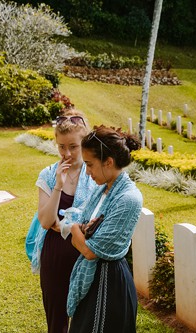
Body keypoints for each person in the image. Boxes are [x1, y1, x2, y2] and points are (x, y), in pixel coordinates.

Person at [66, 125, 143, 333]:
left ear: (108, 162)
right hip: (93, 279)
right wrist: (81, 232)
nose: (87, 172)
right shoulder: (102, 190)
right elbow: (83, 234)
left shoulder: (128, 199)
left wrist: (75, 229)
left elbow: (90, 251)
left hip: (109, 285)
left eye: (90, 165)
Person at [31, 110, 96, 333]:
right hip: (55, 255)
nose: (66, 153)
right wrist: (58, 184)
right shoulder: (48, 174)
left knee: (85, 319)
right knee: (56, 322)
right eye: (61, 146)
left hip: (84, 254)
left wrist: (65, 226)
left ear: (84, 143)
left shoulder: (95, 175)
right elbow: (46, 221)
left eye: (73, 146)